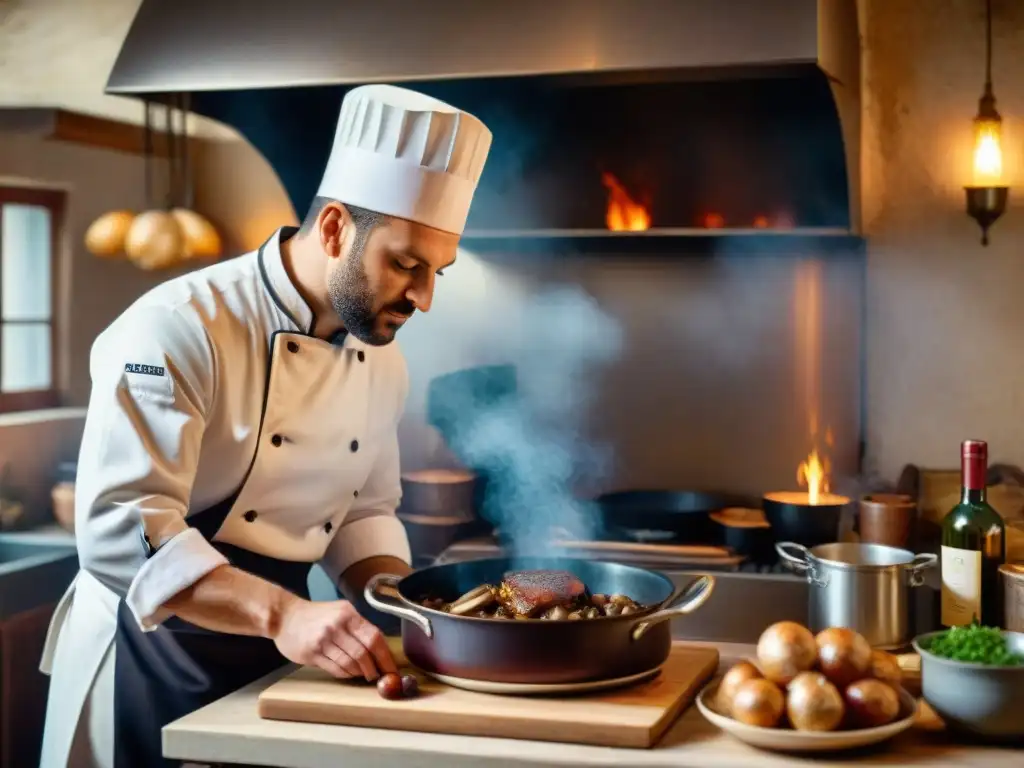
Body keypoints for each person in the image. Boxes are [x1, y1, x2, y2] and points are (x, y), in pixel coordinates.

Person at [38, 84, 492, 768]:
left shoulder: (383, 360)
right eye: (406, 264)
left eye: (437, 273)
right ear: (335, 228)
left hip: (272, 656)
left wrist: (409, 612)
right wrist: (284, 614)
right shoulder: (178, 327)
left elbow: (365, 513)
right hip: (150, 648)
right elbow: (120, 531)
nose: (424, 298)